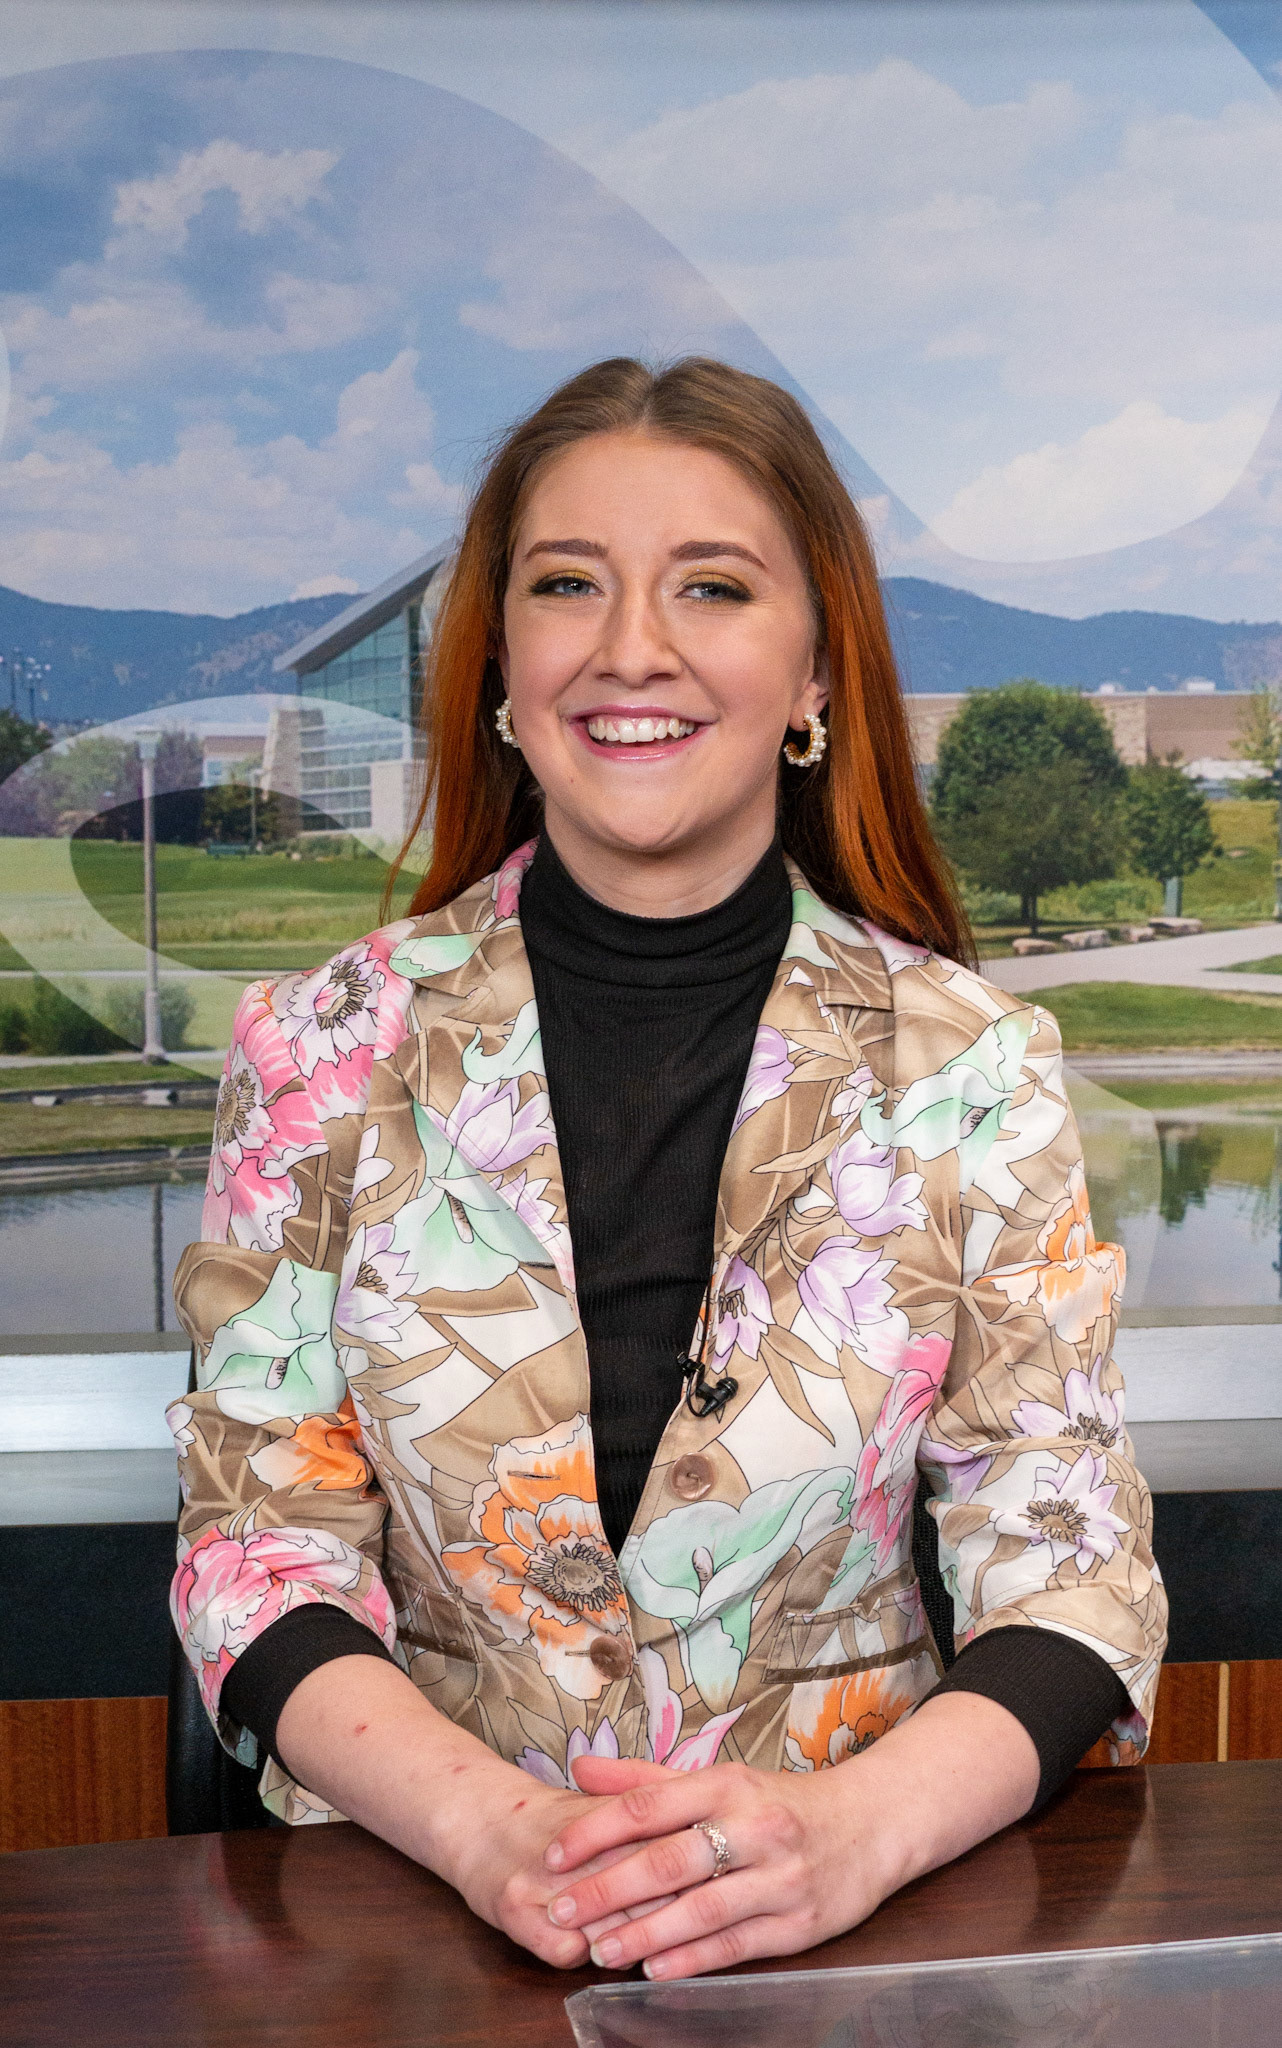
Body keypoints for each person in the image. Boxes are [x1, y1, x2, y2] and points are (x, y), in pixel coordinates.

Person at [170, 356, 1166, 1982]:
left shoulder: (971, 1066)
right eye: (569, 584)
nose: (631, 646)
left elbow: (1069, 1574)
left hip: (853, 1950)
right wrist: (492, 1833)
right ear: (501, 667)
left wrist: (847, 1839)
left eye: (711, 586)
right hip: (415, 1937)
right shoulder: (321, 1049)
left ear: (815, 670)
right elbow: (255, 1543)